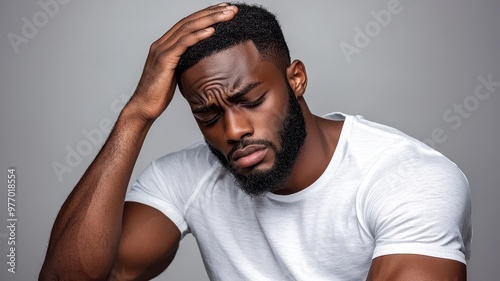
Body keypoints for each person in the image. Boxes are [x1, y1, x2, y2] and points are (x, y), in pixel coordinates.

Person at [39, 2, 471, 280]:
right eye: (207, 114)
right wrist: (136, 114)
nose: (233, 131)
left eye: (250, 100)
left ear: (296, 79)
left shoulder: (407, 179)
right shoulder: (184, 178)